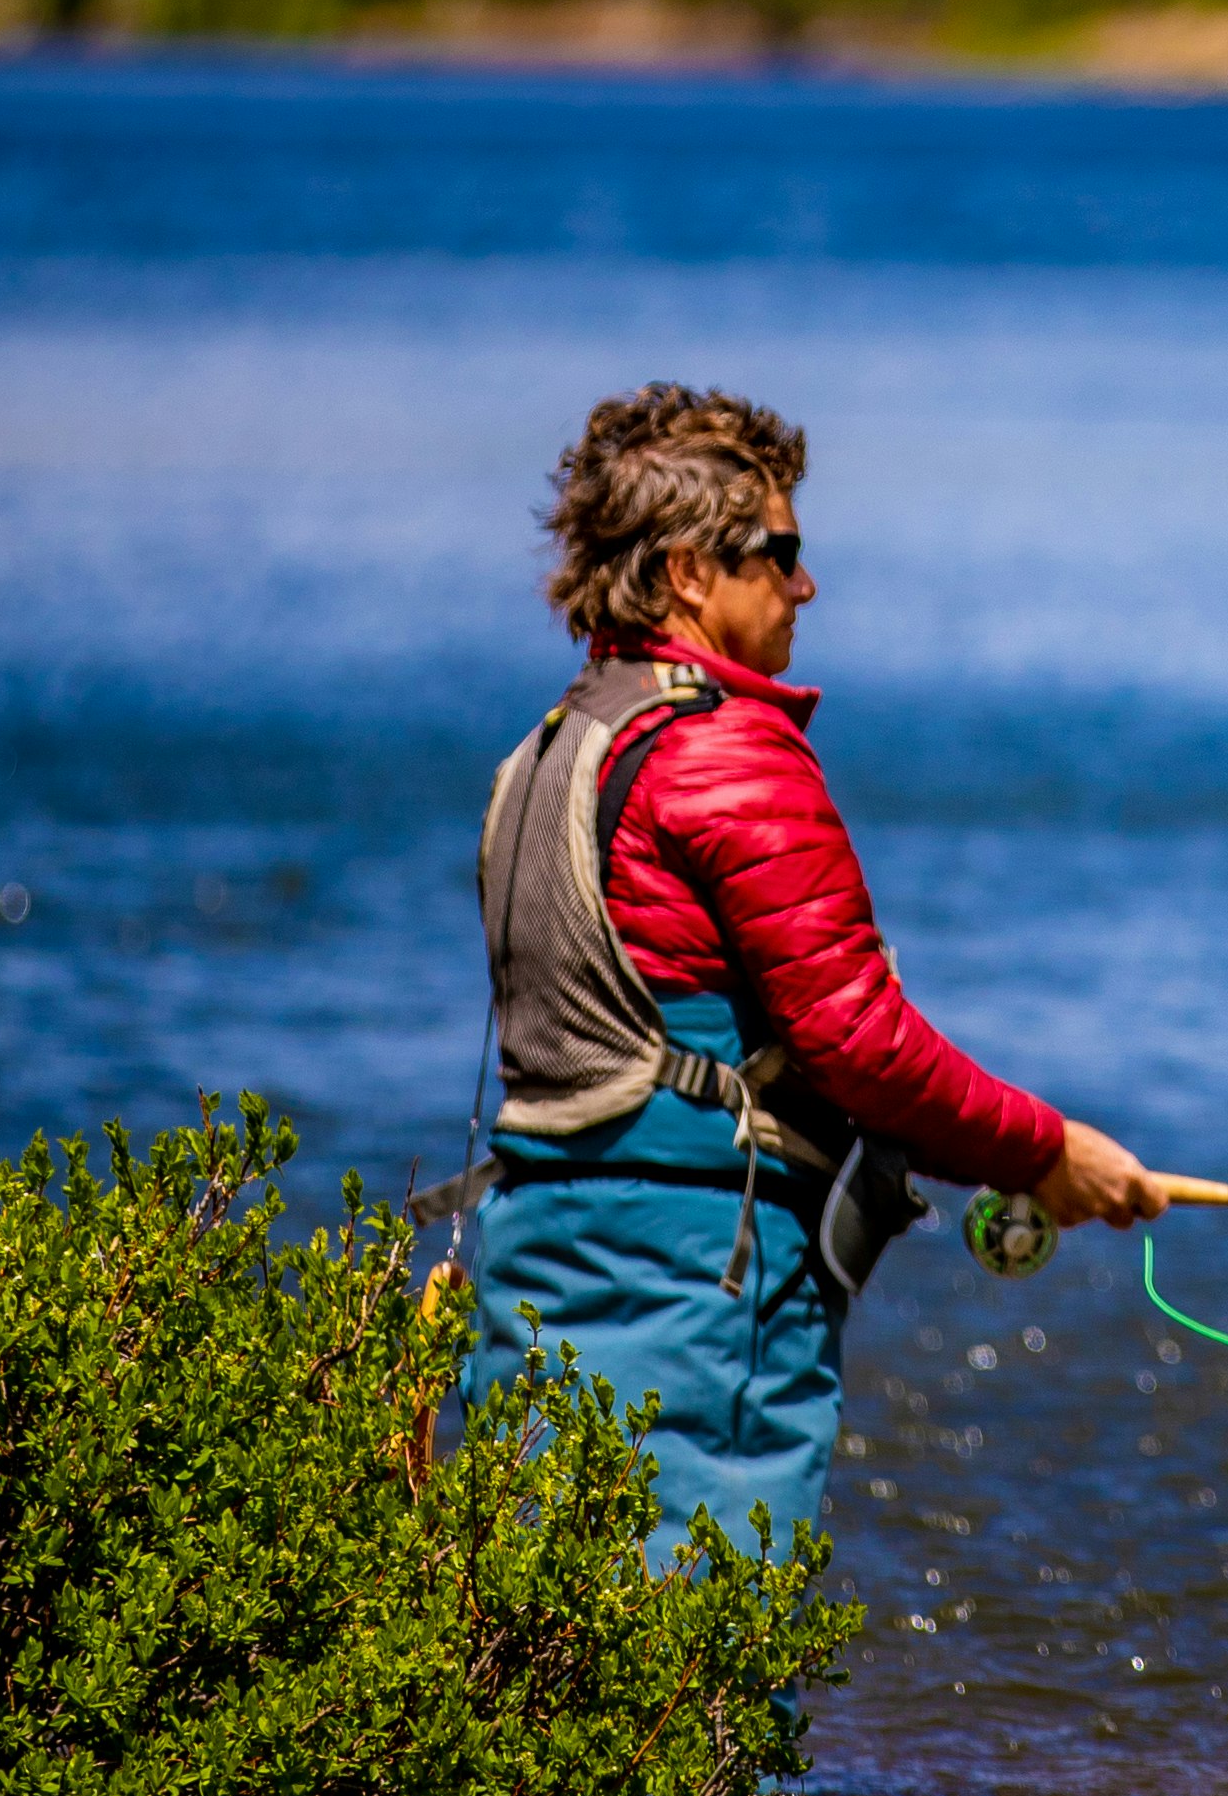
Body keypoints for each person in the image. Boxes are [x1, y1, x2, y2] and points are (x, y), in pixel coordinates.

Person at [454, 383, 1163, 1556]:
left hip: (535, 1267)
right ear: (688, 572)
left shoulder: (548, 748)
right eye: (779, 554)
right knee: (700, 1669)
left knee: (530, 1649)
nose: (806, 584)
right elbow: (860, 1042)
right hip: (698, 1291)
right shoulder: (728, 756)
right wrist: (1048, 1152)